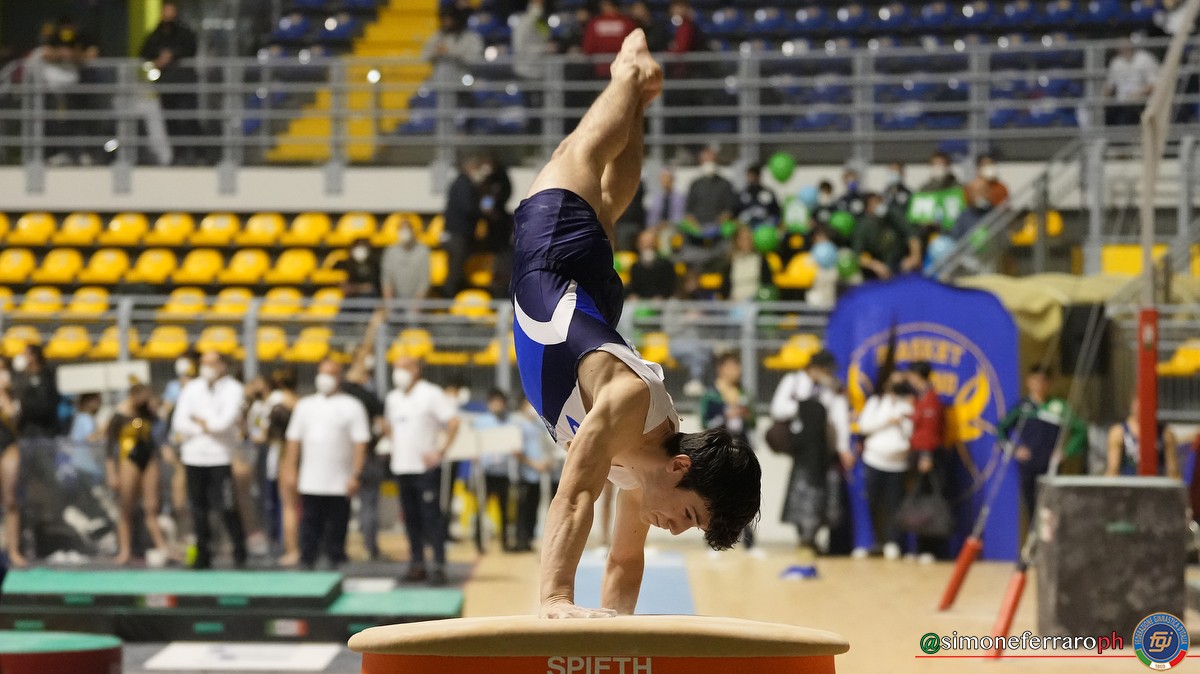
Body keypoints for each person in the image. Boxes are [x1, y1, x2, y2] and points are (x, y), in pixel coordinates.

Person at [510, 30, 761, 618]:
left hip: (588, 304)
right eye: (690, 515)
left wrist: (616, 638)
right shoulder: (631, 404)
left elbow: (624, 561)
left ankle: (643, 98)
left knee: (607, 207)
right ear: (680, 467)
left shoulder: (644, 473)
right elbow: (575, 493)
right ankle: (627, 74)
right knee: (578, 157)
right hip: (549, 263)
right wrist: (556, 599)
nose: (677, 528)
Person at [284, 360, 370, 569]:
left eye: (330, 374)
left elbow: (360, 443)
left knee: (337, 526)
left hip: (339, 480)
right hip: (311, 479)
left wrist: (356, 474)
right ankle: (307, 560)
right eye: (322, 373)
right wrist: (291, 470)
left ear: (339, 377)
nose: (325, 379)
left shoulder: (352, 406)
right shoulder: (305, 406)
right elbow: (293, 441)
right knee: (310, 522)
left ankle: (335, 561)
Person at [385, 356, 461, 585]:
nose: (398, 372)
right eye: (396, 368)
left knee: (431, 518)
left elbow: (453, 421)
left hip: (425, 469)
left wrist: (440, 451)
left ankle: (438, 564)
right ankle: (417, 563)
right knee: (410, 519)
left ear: (416, 369)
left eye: (403, 367)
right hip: (402, 467)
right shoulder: (393, 398)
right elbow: (389, 425)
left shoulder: (431, 393)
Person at [769, 350, 852, 553]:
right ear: (814, 368)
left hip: (824, 449)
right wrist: (805, 405)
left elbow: (839, 418)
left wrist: (843, 448)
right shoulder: (794, 382)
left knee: (825, 495)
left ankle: (813, 537)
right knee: (803, 492)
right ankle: (803, 537)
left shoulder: (832, 389)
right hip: (803, 448)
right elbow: (778, 409)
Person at [171, 351, 247, 569]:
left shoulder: (234, 389)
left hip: (219, 457)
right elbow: (179, 422)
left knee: (226, 505)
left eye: (211, 363)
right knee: (198, 509)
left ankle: (239, 551)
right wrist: (203, 427)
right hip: (193, 456)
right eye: (203, 363)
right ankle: (203, 553)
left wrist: (201, 422)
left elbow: (224, 423)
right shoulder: (192, 388)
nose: (206, 367)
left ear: (222, 365)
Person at [997, 365, 1088, 520]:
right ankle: (1035, 534)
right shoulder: (1022, 407)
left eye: (1043, 381)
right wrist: (1015, 450)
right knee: (1032, 506)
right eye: (1035, 380)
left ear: (1049, 383)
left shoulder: (1058, 406)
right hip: (1029, 464)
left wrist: (1066, 452)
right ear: (1028, 382)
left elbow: (1080, 430)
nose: (1039, 385)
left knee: (1050, 507)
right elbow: (1000, 430)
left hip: (1050, 464)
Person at [106, 383, 171, 565]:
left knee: (152, 506)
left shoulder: (148, 415)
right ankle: (125, 549)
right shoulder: (119, 416)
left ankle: (162, 546)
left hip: (148, 458)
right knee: (126, 507)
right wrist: (112, 473)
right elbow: (109, 448)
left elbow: (159, 433)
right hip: (129, 459)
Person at [699, 351, 756, 548]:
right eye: (732, 366)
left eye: (738, 366)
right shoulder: (711, 394)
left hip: (741, 447)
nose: (736, 371)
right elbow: (705, 421)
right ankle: (712, 541)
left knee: (745, 494)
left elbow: (754, 421)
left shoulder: (743, 393)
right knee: (715, 496)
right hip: (719, 449)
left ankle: (749, 543)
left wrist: (746, 415)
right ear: (720, 369)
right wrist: (725, 415)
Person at [857, 372, 915, 560]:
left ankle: (892, 542)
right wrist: (887, 421)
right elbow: (864, 426)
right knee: (873, 502)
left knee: (894, 504)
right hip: (874, 460)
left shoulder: (908, 405)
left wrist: (902, 422)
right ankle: (876, 541)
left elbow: (911, 433)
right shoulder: (875, 402)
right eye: (893, 383)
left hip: (897, 463)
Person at [139, 2, 203, 164]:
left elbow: (190, 48)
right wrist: (158, 60)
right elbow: (144, 52)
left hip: (185, 83)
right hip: (166, 84)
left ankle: (198, 154)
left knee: (189, 119)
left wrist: (172, 55)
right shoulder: (157, 34)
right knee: (170, 121)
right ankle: (178, 154)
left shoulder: (184, 32)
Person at [905, 362, 947, 562]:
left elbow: (930, 430)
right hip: (917, 453)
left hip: (928, 455)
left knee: (930, 502)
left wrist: (926, 456)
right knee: (918, 502)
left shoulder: (931, 399)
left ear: (917, 376)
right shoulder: (919, 398)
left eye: (911, 375)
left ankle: (931, 549)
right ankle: (919, 547)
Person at [473, 389, 519, 551]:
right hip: (485, 472)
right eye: (494, 402)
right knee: (481, 508)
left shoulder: (511, 422)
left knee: (505, 510)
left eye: (500, 402)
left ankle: (505, 542)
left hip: (504, 472)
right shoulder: (481, 422)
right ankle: (479, 542)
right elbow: (474, 444)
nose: (497, 406)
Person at [264, 368, 300, 565]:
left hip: (286, 456)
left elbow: (266, 432)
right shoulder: (301, 403)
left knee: (288, 506)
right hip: (302, 456)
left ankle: (291, 549)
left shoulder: (276, 402)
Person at [680, 147, 738, 270]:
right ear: (701, 162)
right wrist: (696, 229)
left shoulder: (725, 183)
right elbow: (688, 212)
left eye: (711, 160)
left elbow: (728, 210)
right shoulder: (695, 184)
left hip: (718, 229)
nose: (709, 163)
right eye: (706, 160)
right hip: (697, 229)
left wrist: (717, 227)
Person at [443, 154, 489, 297]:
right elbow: (468, 207)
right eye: (476, 167)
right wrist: (483, 212)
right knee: (455, 272)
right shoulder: (463, 184)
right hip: (458, 235)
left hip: (462, 234)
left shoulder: (466, 183)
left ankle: (456, 298)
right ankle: (448, 301)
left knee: (460, 270)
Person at [421, 4, 484, 106]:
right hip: (441, 82)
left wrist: (452, 53)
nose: (446, 22)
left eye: (449, 19)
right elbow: (424, 56)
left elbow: (475, 58)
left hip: (463, 81)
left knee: (462, 108)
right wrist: (436, 53)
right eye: (444, 19)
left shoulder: (470, 37)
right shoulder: (438, 37)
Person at [1105, 396, 1180, 478]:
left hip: (1156, 483)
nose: (1143, 407)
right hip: (1128, 483)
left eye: (1148, 403)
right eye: (1139, 403)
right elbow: (1113, 470)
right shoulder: (1118, 433)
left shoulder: (1166, 434)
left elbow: (1173, 471)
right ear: (1132, 404)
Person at [513, 398, 553, 552]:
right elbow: (516, 450)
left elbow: (548, 445)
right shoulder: (517, 423)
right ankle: (520, 539)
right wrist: (533, 464)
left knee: (534, 506)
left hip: (539, 473)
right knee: (522, 508)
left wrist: (546, 461)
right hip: (524, 473)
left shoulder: (540, 424)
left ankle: (530, 538)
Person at [1104, 38, 1159, 126]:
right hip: (1121, 103)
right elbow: (1109, 86)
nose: (1125, 50)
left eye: (1127, 47)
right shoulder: (1116, 62)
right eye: (1122, 48)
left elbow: (1154, 83)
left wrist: (1139, 93)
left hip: (1141, 101)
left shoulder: (1145, 59)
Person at [0, 374, 23, 567]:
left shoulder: (10, 397)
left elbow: (15, 420)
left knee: (10, 499)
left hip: (6, 444)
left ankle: (13, 550)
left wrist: (3, 394)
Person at [583, 0, 637, 78]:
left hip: (618, 68)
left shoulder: (627, 23)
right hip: (609, 69)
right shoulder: (627, 22)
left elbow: (588, 48)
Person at [719, 225, 772, 302]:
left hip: (755, 301)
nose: (745, 242)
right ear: (736, 240)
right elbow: (725, 287)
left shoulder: (761, 259)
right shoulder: (730, 260)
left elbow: (767, 283)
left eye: (748, 238)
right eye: (742, 239)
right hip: (734, 301)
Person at [627, 229, 677, 299]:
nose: (648, 245)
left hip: (663, 301)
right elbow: (633, 288)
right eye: (644, 243)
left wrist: (662, 296)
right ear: (638, 245)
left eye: (651, 242)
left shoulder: (666, 265)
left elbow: (670, 287)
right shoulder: (635, 267)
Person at [337, 238, 381, 308]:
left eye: (362, 246)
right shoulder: (348, 263)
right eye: (357, 246)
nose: (360, 250)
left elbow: (370, 287)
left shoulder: (374, 264)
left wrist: (355, 288)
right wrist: (358, 288)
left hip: (369, 298)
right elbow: (345, 287)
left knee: (365, 301)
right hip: (352, 297)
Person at [736, 164, 781, 229]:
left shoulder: (768, 193)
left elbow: (776, 211)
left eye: (752, 176)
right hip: (747, 228)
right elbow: (736, 211)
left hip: (765, 227)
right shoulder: (743, 194)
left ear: (758, 176)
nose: (750, 178)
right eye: (749, 176)